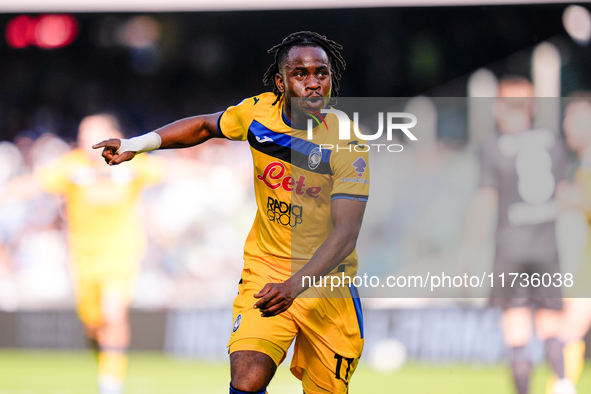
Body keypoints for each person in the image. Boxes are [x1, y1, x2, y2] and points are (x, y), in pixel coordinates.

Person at [94, 31, 369, 394]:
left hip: (325, 288)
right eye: (300, 73)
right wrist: (136, 144)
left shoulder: (348, 142)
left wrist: (295, 286)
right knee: (247, 378)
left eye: (322, 72)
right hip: (267, 272)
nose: (314, 82)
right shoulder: (258, 114)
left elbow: (345, 235)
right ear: (280, 83)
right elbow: (206, 126)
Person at [1, 114, 164, 394]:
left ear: (112, 134)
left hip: (121, 254)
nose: (85, 138)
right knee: (94, 324)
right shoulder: (72, 166)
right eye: (83, 132)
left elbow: (174, 168)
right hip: (84, 260)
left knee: (113, 313)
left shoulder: (132, 161)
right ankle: (106, 363)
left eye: (92, 132)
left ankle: (111, 384)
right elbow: (33, 184)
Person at [459, 77, 575, 394]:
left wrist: (468, 251)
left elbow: (486, 200)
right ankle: (563, 383)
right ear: (532, 107)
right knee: (551, 326)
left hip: (510, 250)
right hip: (547, 250)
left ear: (499, 108)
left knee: (517, 330)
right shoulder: (552, 141)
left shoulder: (493, 146)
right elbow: (565, 198)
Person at [548, 94, 591, 393]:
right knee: (571, 323)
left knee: (571, 323)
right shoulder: (582, 164)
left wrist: (571, 197)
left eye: (574, 117)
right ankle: (561, 384)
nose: (566, 125)